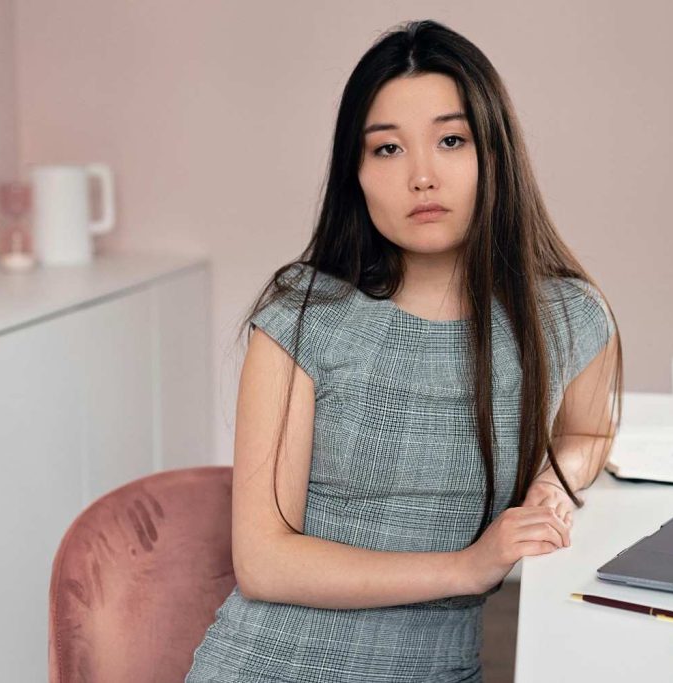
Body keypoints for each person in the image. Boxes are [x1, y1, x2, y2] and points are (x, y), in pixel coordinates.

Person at [186, 18, 623, 683]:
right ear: (355, 174)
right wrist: (470, 565)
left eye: (451, 140)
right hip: (265, 660)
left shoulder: (564, 317)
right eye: (387, 149)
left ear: (493, 154)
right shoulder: (303, 315)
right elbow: (265, 560)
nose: (422, 175)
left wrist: (551, 483)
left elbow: (591, 429)